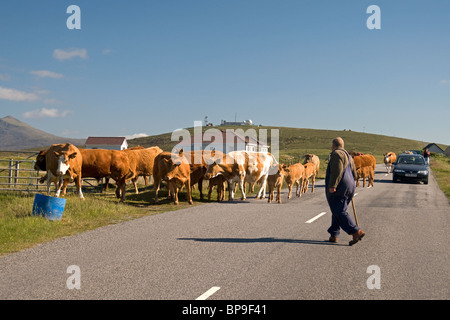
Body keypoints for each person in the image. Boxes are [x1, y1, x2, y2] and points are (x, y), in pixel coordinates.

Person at [325, 137, 365, 246]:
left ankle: (355, 231)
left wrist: (333, 185)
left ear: (333, 145)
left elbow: (337, 171)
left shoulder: (336, 154)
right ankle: (334, 234)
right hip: (349, 185)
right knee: (337, 209)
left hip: (340, 186)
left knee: (339, 210)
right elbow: (354, 174)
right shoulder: (349, 156)